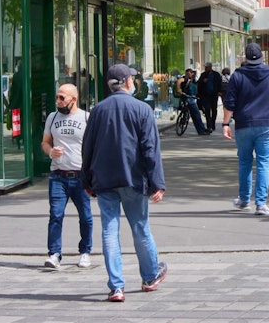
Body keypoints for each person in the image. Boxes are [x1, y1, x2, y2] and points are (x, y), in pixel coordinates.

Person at [81, 64, 167, 303]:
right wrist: (157, 182)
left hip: (104, 179)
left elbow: (87, 147)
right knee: (140, 226)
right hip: (134, 178)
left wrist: (86, 178)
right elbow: (150, 149)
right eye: (132, 78)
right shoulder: (141, 109)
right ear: (127, 82)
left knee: (109, 230)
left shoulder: (98, 110)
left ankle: (116, 286)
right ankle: (150, 276)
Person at [222, 43, 269, 215]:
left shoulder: (237, 76)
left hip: (244, 124)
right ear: (262, 57)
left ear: (246, 58)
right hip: (267, 124)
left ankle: (243, 199)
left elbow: (229, 103)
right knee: (264, 162)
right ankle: (261, 203)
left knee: (244, 161)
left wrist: (225, 124)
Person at [41, 83, 92, 271]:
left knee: (85, 216)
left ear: (73, 99)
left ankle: (85, 251)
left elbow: (94, 146)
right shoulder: (52, 118)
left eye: (62, 97)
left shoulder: (86, 118)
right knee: (56, 214)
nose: (58, 101)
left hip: (80, 175)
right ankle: (54, 254)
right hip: (58, 175)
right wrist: (50, 151)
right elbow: (45, 142)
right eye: (57, 97)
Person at [176, 68, 208, 135]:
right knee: (196, 114)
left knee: (195, 115)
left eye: (193, 72)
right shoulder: (186, 78)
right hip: (188, 98)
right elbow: (179, 81)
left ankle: (201, 129)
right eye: (191, 72)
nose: (193, 73)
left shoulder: (193, 80)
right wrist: (179, 90)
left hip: (191, 98)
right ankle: (201, 130)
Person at [196, 62, 222, 133]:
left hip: (214, 95)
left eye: (207, 67)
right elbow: (199, 83)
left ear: (210, 67)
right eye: (205, 67)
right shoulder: (203, 75)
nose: (205, 68)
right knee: (207, 109)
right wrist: (202, 81)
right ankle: (209, 125)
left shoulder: (216, 74)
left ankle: (213, 123)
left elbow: (220, 83)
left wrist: (220, 91)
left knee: (214, 109)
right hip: (205, 95)